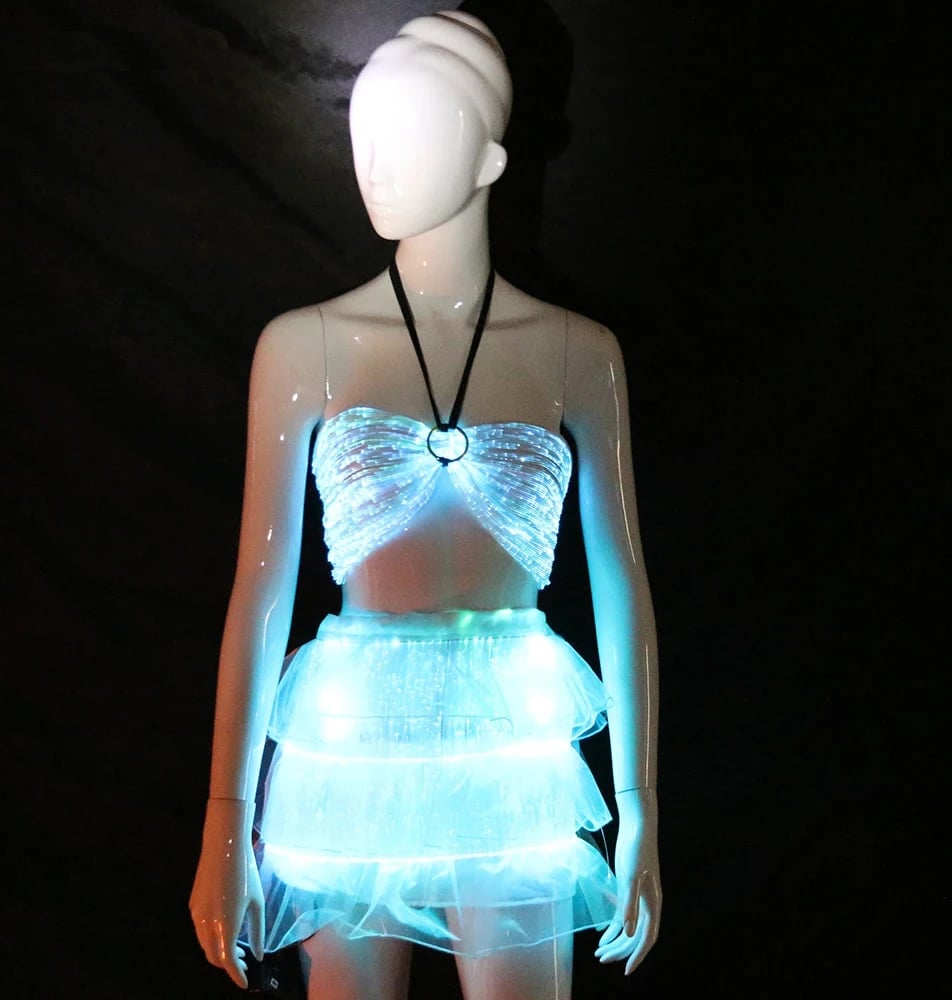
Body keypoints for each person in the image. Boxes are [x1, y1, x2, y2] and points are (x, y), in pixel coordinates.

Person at [190, 12, 660, 999]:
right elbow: (259, 586)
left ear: (489, 159)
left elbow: (622, 581)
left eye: (410, 133)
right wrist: (222, 822)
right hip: (351, 748)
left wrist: (640, 808)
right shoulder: (304, 345)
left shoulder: (578, 353)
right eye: (365, 132)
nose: (377, 164)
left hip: (511, 746)